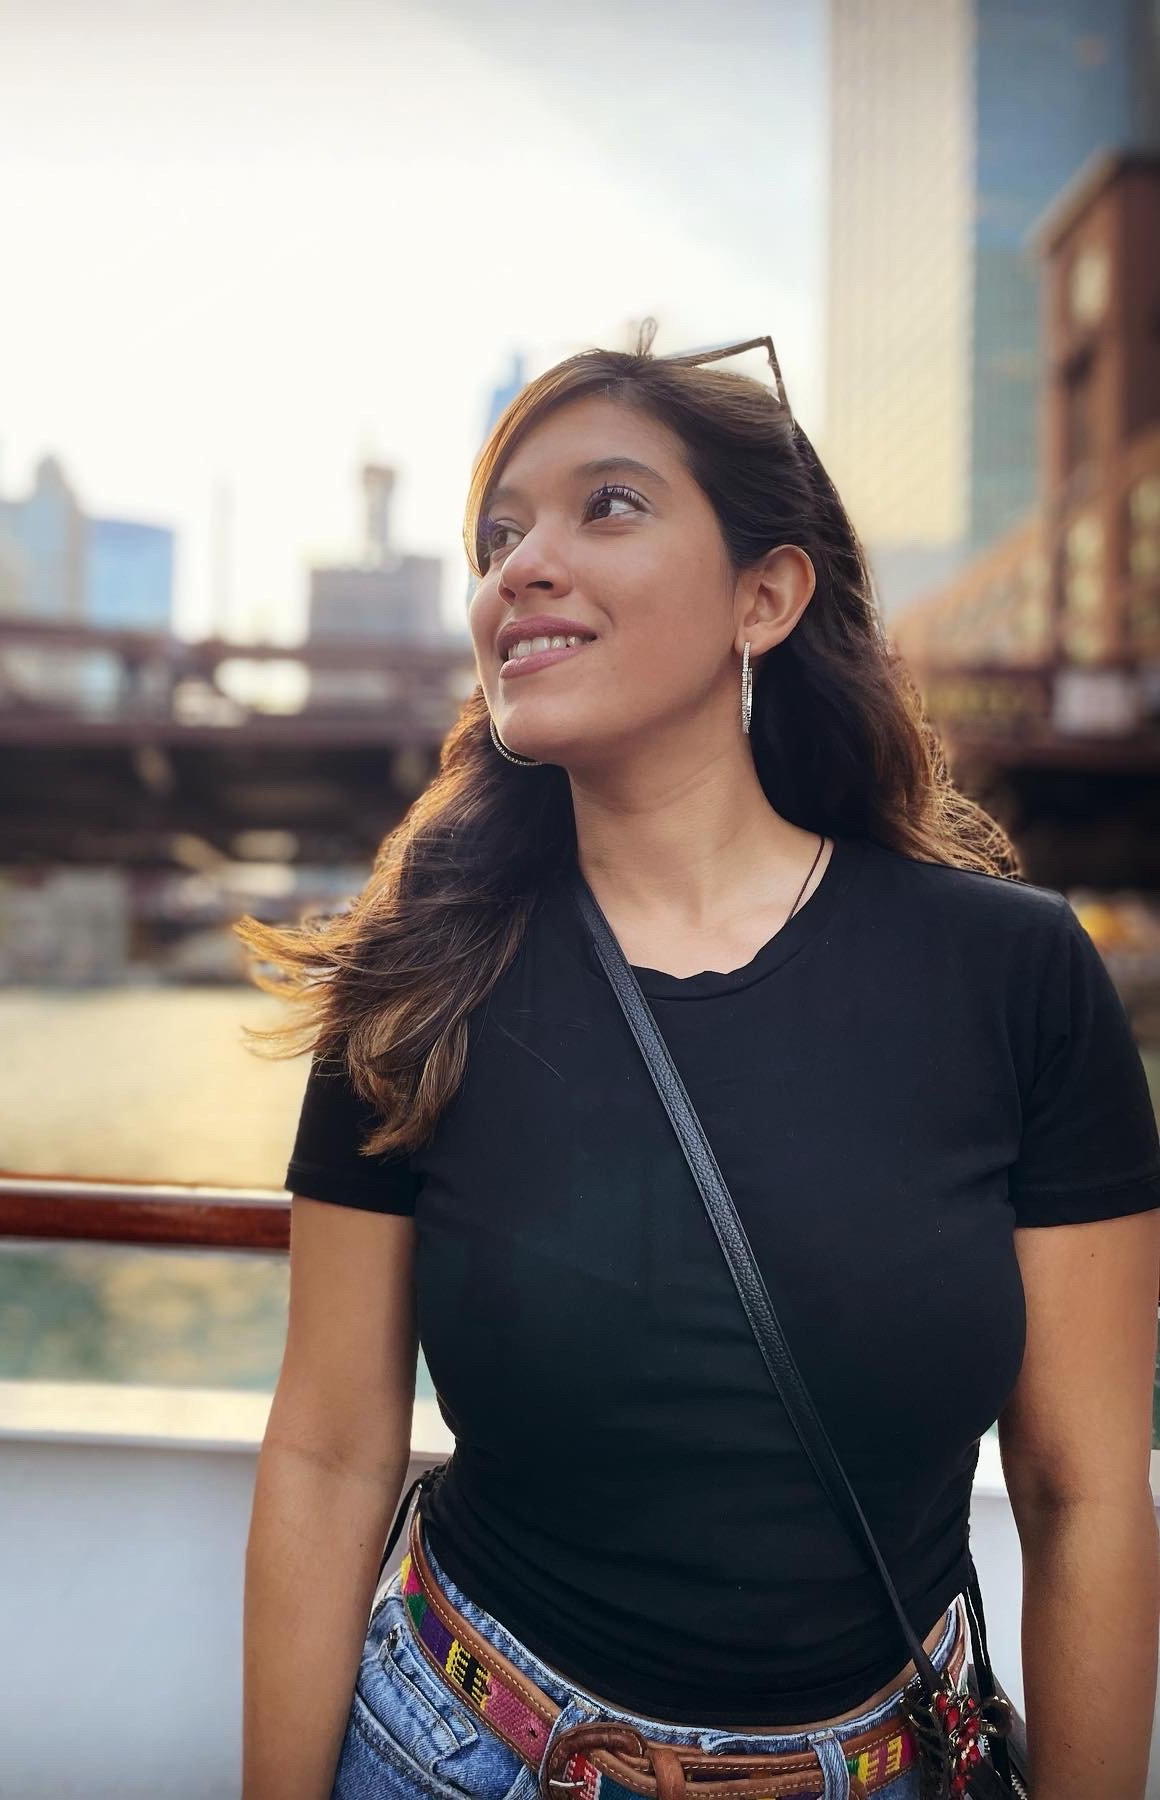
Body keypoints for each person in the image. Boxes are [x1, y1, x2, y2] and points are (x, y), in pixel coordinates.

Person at [237, 321, 1160, 1800]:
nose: (521, 565)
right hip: (461, 1753)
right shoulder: (419, 976)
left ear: (767, 594)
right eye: (499, 533)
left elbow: (1086, 1488)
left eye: (607, 505)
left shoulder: (1015, 973)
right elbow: (336, 1449)